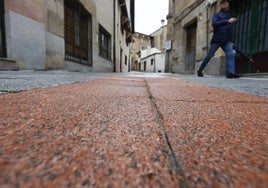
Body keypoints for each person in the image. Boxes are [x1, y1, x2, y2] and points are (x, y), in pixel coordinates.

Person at [197, 0, 241, 78]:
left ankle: (230, 73)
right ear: (219, 5)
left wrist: (232, 41)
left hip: (227, 40)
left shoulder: (230, 15)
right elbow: (214, 24)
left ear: (228, 4)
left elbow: (230, 29)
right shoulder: (216, 15)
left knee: (231, 54)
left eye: (226, 2)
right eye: (222, 2)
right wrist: (227, 21)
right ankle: (200, 70)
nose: (224, 3)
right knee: (209, 55)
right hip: (217, 39)